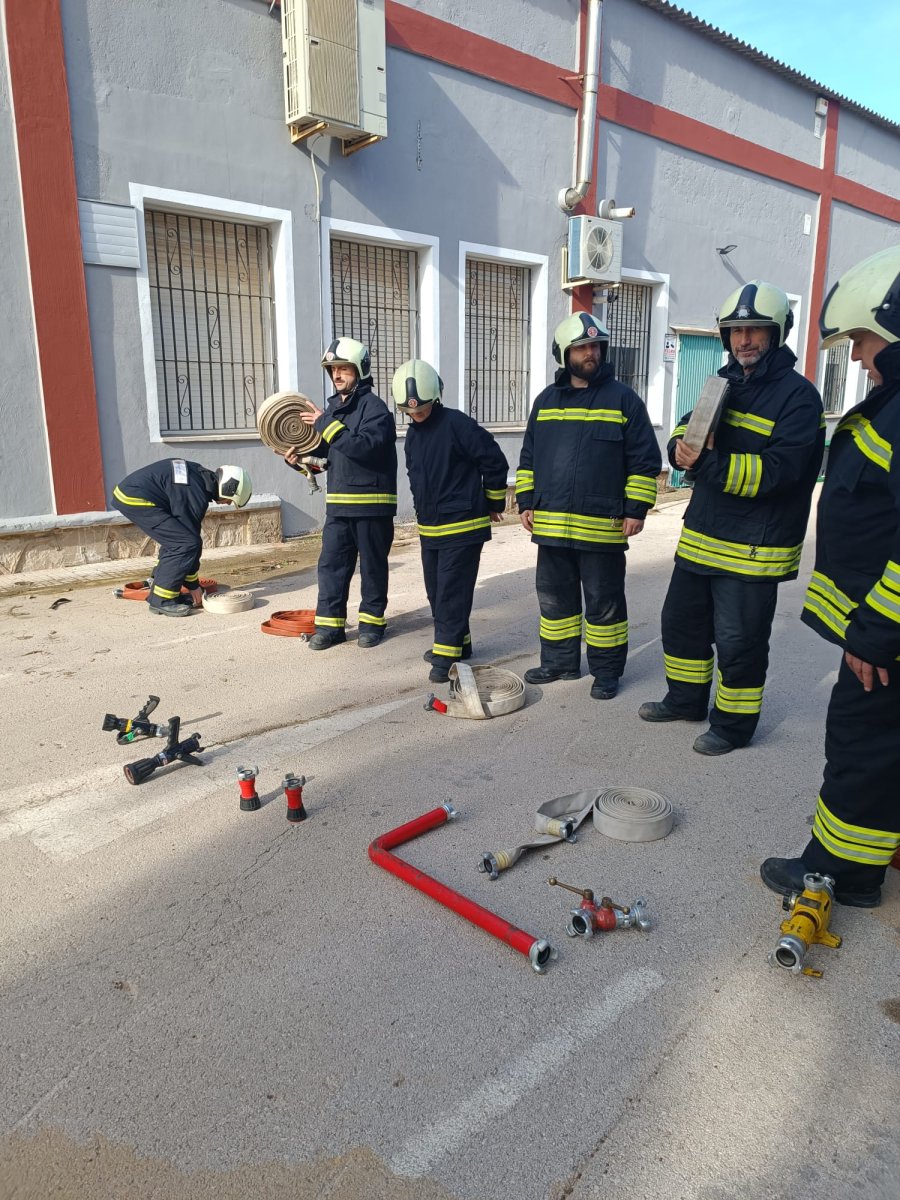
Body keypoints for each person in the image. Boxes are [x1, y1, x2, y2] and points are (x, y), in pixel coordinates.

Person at [761, 246, 900, 907]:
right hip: (884, 625)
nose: (859, 356)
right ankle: (875, 858)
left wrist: (875, 631)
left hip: (886, 632)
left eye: (863, 340)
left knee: (862, 744)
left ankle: (841, 871)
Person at [638, 282, 824, 754]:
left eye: (755, 330)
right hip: (703, 536)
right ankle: (685, 700)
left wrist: (707, 466)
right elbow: (687, 428)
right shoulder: (720, 381)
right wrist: (679, 450)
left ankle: (733, 727)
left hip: (754, 548)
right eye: (736, 330)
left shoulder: (799, 398)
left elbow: (782, 472)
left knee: (739, 643)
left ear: (776, 334)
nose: (744, 339)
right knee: (681, 625)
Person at [515, 311, 661, 700]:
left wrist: (636, 509)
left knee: (605, 606)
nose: (591, 353)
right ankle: (560, 662)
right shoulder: (545, 401)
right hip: (550, 525)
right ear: (564, 354)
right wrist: (526, 501)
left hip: (603, 527)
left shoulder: (624, 400)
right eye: (582, 347)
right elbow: (529, 457)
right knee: (554, 600)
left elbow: (645, 461)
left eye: (596, 346)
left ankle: (607, 672)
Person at [392, 359, 509, 684]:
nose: (416, 414)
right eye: (409, 412)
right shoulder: (413, 436)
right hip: (431, 530)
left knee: (450, 593)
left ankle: (445, 656)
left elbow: (495, 461)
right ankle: (460, 642)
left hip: (463, 527)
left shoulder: (458, 425)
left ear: (436, 397)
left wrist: (494, 500)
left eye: (422, 409)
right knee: (436, 591)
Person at [286, 337, 397, 649]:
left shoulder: (375, 410)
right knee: (331, 568)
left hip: (372, 508)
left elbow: (363, 448)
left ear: (359, 369)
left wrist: (325, 423)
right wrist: (300, 461)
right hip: (338, 508)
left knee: (373, 569)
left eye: (343, 368)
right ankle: (331, 627)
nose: (336, 375)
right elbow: (327, 457)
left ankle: (372, 624)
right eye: (332, 369)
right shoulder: (333, 409)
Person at [111, 459, 252, 616]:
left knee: (177, 539)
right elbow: (190, 540)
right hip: (135, 497)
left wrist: (191, 582)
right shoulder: (195, 492)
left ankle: (162, 583)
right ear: (229, 488)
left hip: (131, 492)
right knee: (184, 543)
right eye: (230, 500)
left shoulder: (199, 478)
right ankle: (162, 600)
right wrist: (193, 585)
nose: (227, 504)